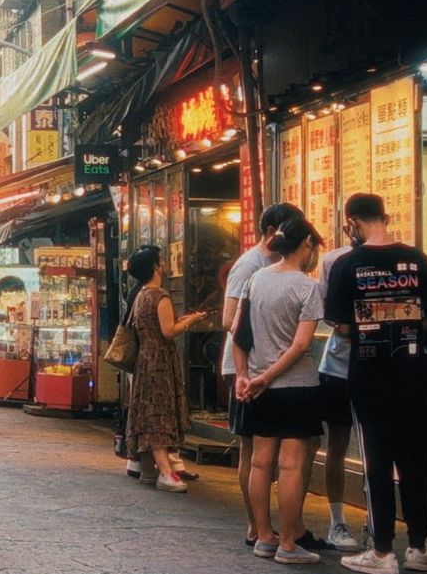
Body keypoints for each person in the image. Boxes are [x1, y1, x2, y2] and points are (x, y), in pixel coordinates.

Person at [325, 194, 427, 574]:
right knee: (414, 460)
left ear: (352, 223)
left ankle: (381, 551)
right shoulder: (417, 259)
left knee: (376, 461)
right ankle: (419, 546)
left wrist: (372, 323)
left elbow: (343, 328)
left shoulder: (347, 265)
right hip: (412, 371)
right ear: (386, 217)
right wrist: (406, 322)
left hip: (368, 373)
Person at [233, 215, 326, 564]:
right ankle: (288, 543)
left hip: (259, 386)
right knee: (290, 467)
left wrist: (247, 377)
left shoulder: (256, 279)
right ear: (306, 245)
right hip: (296, 387)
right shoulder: (308, 287)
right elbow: (301, 346)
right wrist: (267, 377)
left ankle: (264, 536)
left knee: (260, 463)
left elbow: (239, 334)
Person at [217, 202, 302, 538]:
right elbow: (229, 320)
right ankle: (256, 525)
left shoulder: (280, 266)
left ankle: (276, 527)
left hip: (268, 367)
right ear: (270, 232)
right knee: (253, 450)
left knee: (268, 451)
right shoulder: (250, 265)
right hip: (245, 367)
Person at [125, 245, 208, 492]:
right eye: (161, 260)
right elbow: (168, 331)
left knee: (148, 412)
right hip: (159, 362)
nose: (164, 264)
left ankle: (149, 470)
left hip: (145, 360)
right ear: (155, 266)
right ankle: (166, 472)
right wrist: (191, 320)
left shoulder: (140, 295)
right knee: (159, 414)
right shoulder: (159, 295)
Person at [314, 236, 364, 553]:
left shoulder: (395, 259)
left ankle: (377, 524)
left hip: (379, 367)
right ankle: (337, 521)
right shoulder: (334, 259)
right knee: (338, 442)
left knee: (377, 444)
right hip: (338, 365)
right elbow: (325, 309)